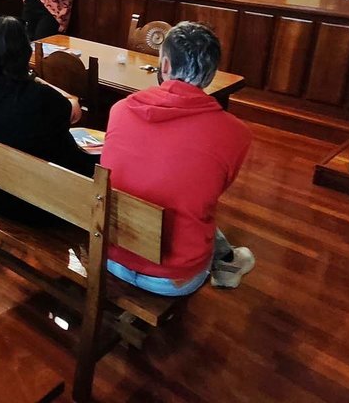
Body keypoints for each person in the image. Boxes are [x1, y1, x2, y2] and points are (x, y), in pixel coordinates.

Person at [100, 22, 255, 295]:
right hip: (174, 278)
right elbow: (209, 196)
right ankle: (228, 262)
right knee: (191, 206)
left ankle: (228, 259)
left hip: (111, 255)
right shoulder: (236, 133)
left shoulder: (120, 109)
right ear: (211, 74)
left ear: (166, 65)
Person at [0, 16, 95, 221]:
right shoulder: (39, 98)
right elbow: (74, 113)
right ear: (24, 53)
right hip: (31, 204)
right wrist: (69, 98)